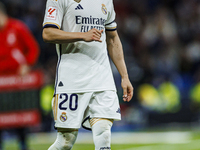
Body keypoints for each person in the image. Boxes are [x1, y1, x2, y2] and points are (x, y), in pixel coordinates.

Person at [42, 0, 133, 149]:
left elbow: (112, 38)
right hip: (71, 79)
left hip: (102, 77)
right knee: (65, 141)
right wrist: (82, 35)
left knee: (103, 133)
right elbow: (47, 33)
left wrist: (125, 76)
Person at [0, 2, 39, 150]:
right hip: (1, 84)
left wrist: (27, 64)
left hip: (17, 83)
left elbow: (33, 48)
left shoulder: (17, 27)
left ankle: (23, 144)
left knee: (19, 117)